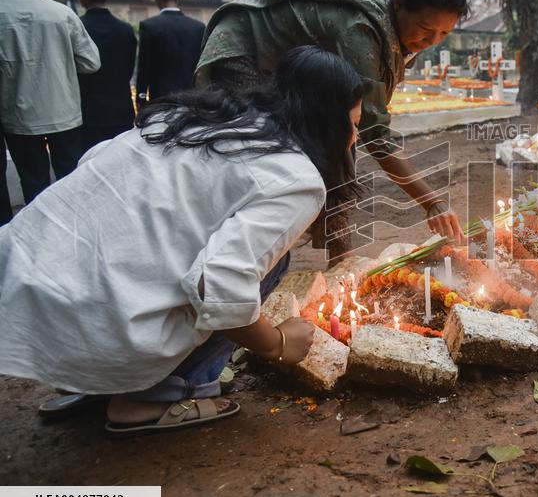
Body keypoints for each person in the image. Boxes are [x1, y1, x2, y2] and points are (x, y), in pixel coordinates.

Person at [0, 46, 363, 435]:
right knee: (275, 265)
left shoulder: (193, 118)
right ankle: (155, 396)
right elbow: (219, 283)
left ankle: (100, 382)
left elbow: (95, 162)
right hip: (102, 326)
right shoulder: (297, 179)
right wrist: (276, 342)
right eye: (353, 124)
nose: (355, 137)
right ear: (326, 124)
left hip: (27, 280)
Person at [196, 0, 468, 252]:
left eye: (444, 34)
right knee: (261, 152)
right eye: (426, 29)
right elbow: (376, 134)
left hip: (297, 68)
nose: (431, 41)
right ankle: (243, 249)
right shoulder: (360, 31)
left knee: (341, 136)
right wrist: (432, 202)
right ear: (399, 4)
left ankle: (337, 248)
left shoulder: (392, 24)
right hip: (245, 48)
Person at [0, 0, 100, 206]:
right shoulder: (61, 14)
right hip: (64, 113)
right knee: (71, 183)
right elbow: (91, 62)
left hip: (18, 119)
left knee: (34, 186)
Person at [74, 0, 138, 152]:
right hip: (121, 110)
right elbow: (128, 69)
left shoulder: (77, 28)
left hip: (87, 113)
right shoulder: (125, 29)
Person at [136, 0, 206, 106]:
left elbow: (144, 69)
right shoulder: (199, 27)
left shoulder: (149, 26)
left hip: (162, 100)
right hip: (193, 100)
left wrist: (141, 97)